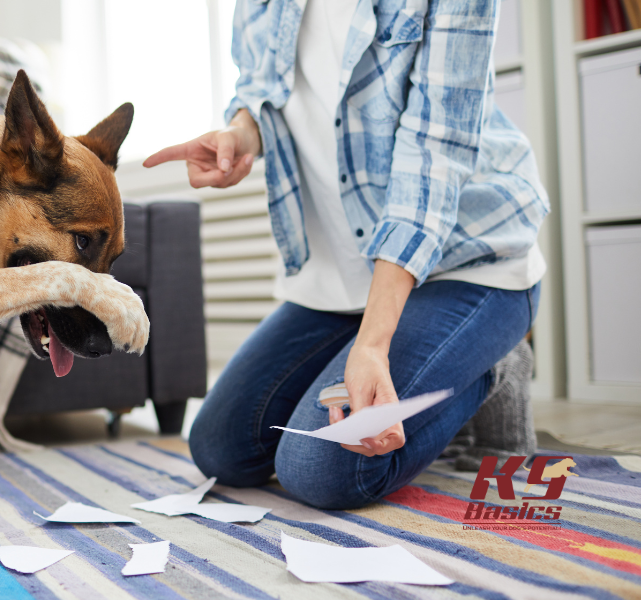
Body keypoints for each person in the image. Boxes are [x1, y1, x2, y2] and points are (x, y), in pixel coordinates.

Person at [145, 0, 547, 509]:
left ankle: (493, 363)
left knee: (321, 469)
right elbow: (259, 90)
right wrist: (240, 135)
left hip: (469, 262)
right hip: (342, 279)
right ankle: (413, 350)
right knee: (221, 448)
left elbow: (434, 158)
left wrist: (374, 346)